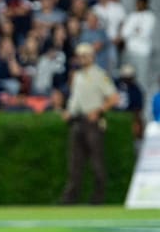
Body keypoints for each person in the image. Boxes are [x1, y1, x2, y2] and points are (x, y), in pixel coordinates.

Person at [59, 43, 120, 205]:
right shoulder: (77, 76)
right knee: (75, 163)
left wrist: (99, 111)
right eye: (80, 55)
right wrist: (69, 112)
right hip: (77, 120)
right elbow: (75, 99)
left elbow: (114, 97)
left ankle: (98, 198)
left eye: (85, 55)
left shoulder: (100, 75)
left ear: (92, 57)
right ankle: (70, 198)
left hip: (93, 121)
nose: (82, 58)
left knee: (96, 162)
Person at [115, 64, 145, 150]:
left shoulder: (136, 89)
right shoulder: (115, 85)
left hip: (129, 117)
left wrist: (136, 122)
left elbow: (138, 108)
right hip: (114, 116)